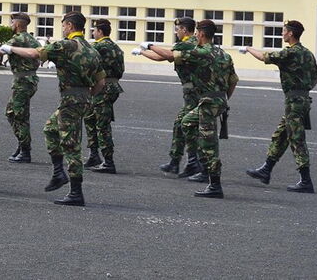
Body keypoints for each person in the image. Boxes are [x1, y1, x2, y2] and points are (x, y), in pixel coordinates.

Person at [3, 11, 104, 206]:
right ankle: (59, 173)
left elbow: (34, 53)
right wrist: (87, 97)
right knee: (50, 128)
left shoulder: (66, 45)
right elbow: (100, 82)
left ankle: (76, 192)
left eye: (64, 25)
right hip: (83, 98)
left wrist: (11, 49)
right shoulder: (92, 50)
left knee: (71, 145)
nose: (63, 28)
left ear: (70, 26)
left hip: (70, 98)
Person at [142, 19, 238, 198]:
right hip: (216, 101)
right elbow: (233, 81)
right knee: (186, 122)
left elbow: (170, 55)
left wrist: (149, 45)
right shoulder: (224, 54)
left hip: (208, 102)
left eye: (196, 33)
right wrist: (224, 100)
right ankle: (196, 162)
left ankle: (214, 184)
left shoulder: (200, 52)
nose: (195, 36)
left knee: (210, 144)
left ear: (201, 34)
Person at [241, 20, 317, 193]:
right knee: (280, 135)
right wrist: (303, 89)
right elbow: (316, 75)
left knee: (297, 140)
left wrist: (248, 49)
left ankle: (306, 181)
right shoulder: (307, 53)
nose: (282, 34)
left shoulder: (289, 53)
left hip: (294, 102)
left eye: (284, 31)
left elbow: (265, 57)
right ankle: (266, 169)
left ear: (291, 33)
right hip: (302, 100)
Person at [135, 16, 201, 177]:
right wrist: (144, 53)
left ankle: (194, 163)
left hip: (195, 93)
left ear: (184, 29)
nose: (176, 32)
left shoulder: (186, 44)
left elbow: (167, 55)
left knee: (188, 126)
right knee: (180, 124)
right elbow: (163, 56)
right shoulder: (192, 43)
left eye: (178, 29)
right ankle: (177, 162)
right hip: (192, 93)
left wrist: (149, 45)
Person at [0, 11, 40, 163]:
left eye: (11, 22)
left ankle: (25, 149)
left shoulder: (16, 40)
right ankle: (22, 145)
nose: (10, 25)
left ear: (16, 24)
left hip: (22, 82)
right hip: (30, 79)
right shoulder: (32, 40)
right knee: (18, 113)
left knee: (16, 115)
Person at [84, 18, 125, 174]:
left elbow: (88, 65)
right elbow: (121, 70)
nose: (93, 33)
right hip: (113, 86)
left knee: (102, 125)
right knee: (90, 118)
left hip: (102, 88)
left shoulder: (98, 47)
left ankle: (108, 161)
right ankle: (94, 155)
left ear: (100, 31)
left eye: (94, 30)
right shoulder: (116, 47)